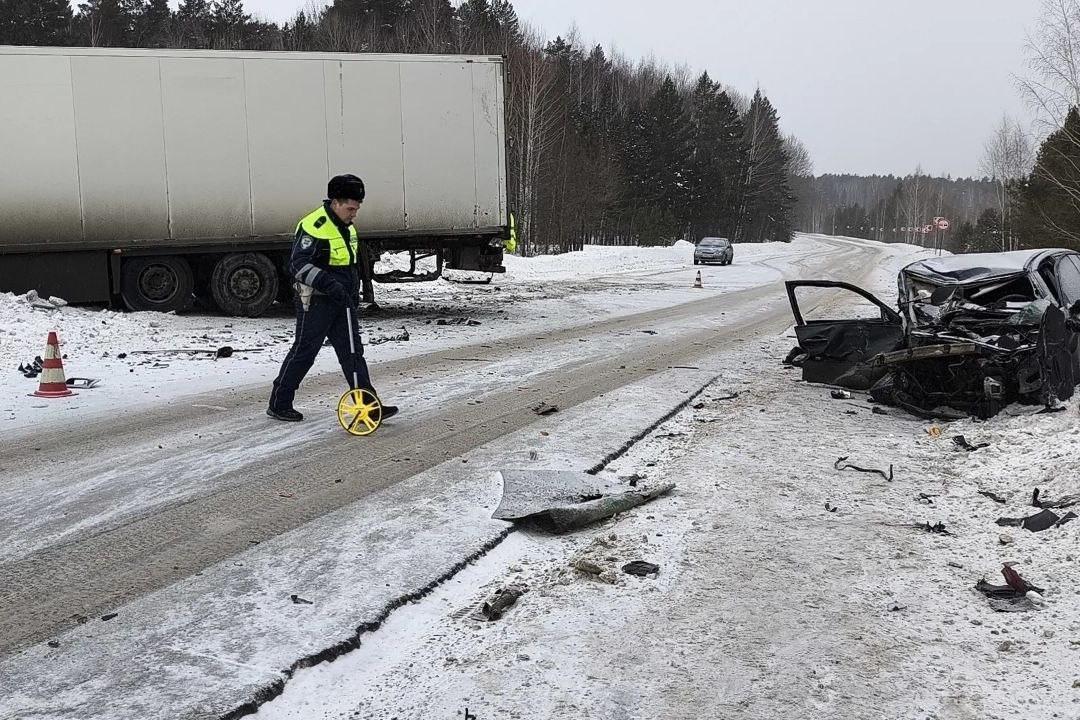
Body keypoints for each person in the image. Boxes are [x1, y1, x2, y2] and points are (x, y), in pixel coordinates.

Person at [267, 174, 398, 422]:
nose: (354, 214)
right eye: (350, 208)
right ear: (335, 202)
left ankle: (367, 405)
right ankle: (279, 403)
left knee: (353, 352)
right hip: (316, 301)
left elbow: (349, 264)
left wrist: (352, 291)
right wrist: (331, 285)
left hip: (343, 301)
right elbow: (298, 265)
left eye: (357, 209)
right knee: (305, 351)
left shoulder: (347, 227)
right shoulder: (313, 225)